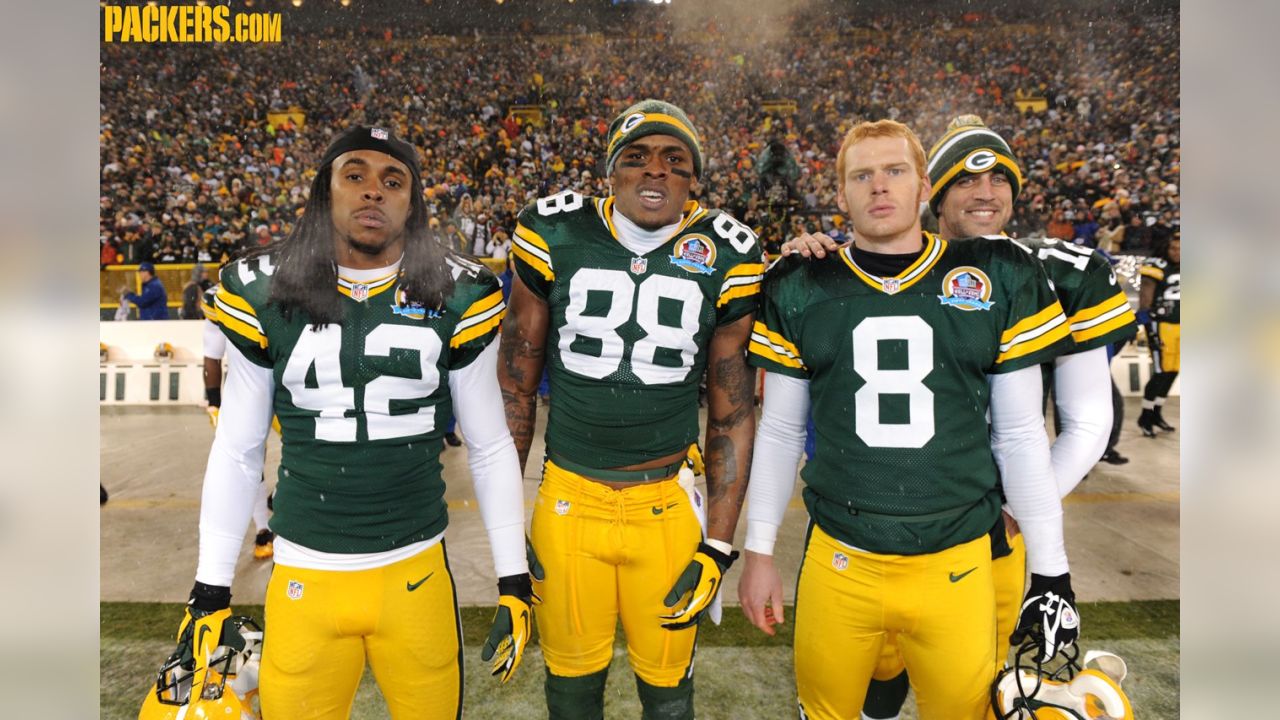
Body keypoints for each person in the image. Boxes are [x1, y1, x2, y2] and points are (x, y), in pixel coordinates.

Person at [154, 126, 535, 720]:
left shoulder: (459, 292)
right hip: (305, 568)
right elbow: (238, 446)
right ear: (323, 191)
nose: (373, 192)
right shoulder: (263, 288)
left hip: (415, 570)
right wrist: (210, 587)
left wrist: (512, 576)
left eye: (393, 180)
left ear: (414, 202)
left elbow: (487, 446)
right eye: (354, 175)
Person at [776, 115, 1135, 719]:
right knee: (871, 682)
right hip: (859, 515)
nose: (985, 193)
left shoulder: (1050, 273)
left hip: (983, 525)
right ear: (930, 193)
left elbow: (1086, 424)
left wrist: (1017, 511)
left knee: (970, 694)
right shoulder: (839, 269)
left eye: (1000, 178)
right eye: (966, 182)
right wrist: (806, 259)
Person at [498, 99, 762, 720]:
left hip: (666, 504)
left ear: (693, 178)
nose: (656, 172)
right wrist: (508, 534)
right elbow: (515, 386)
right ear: (609, 173)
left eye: (675, 160)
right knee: (570, 687)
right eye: (636, 158)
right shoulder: (553, 230)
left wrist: (720, 545)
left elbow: (731, 413)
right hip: (568, 499)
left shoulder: (728, 250)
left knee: (669, 695)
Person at [200, 283, 275, 560]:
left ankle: (284, 499)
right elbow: (212, 357)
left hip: (289, 386)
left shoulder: (276, 294)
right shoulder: (219, 302)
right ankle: (263, 528)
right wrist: (214, 402)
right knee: (249, 458)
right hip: (250, 391)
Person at [1137, 233, 1180, 436]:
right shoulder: (1157, 265)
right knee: (1161, 371)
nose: (1177, 252)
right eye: (1173, 248)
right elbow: (1145, 299)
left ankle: (1157, 413)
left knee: (1173, 370)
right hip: (1161, 324)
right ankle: (1145, 415)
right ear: (1165, 248)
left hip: (1182, 323)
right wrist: (1147, 327)